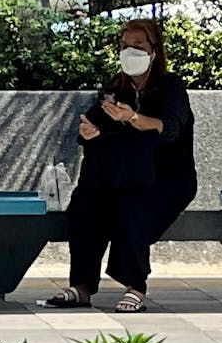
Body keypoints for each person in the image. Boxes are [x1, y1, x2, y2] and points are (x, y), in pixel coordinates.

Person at [46, 19, 194, 313]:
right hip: (123, 173)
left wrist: (133, 119)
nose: (131, 52)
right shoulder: (117, 87)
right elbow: (95, 122)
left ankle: (135, 286)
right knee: (85, 204)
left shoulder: (170, 87)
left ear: (154, 50)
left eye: (138, 46)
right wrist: (88, 132)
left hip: (165, 178)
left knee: (134, 205)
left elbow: (171, 128)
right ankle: (83, 285)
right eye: (126, 46)